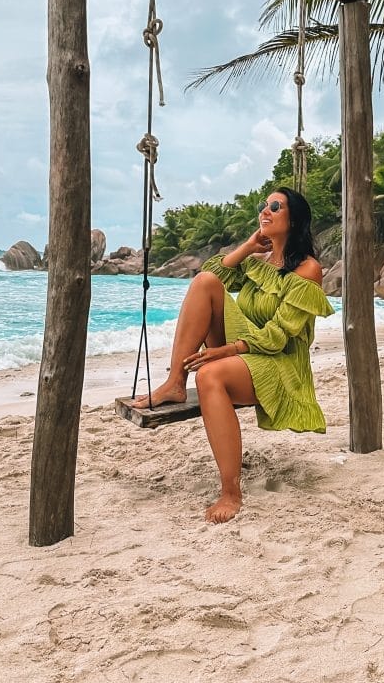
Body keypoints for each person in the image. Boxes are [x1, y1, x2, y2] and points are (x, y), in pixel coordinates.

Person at [130, 186, 334, 523]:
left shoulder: (308, 269)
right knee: (206, 282)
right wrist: (247, 247)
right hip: (248, 349)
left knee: (210, 374)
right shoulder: (260, 262)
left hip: (280, 362)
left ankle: (231, 492)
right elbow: (213, 273)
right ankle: (174, 382)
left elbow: (280, 336)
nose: (264, 212)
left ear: (294, 219)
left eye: (275, 206)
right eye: (262, 206)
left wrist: (223, 352)